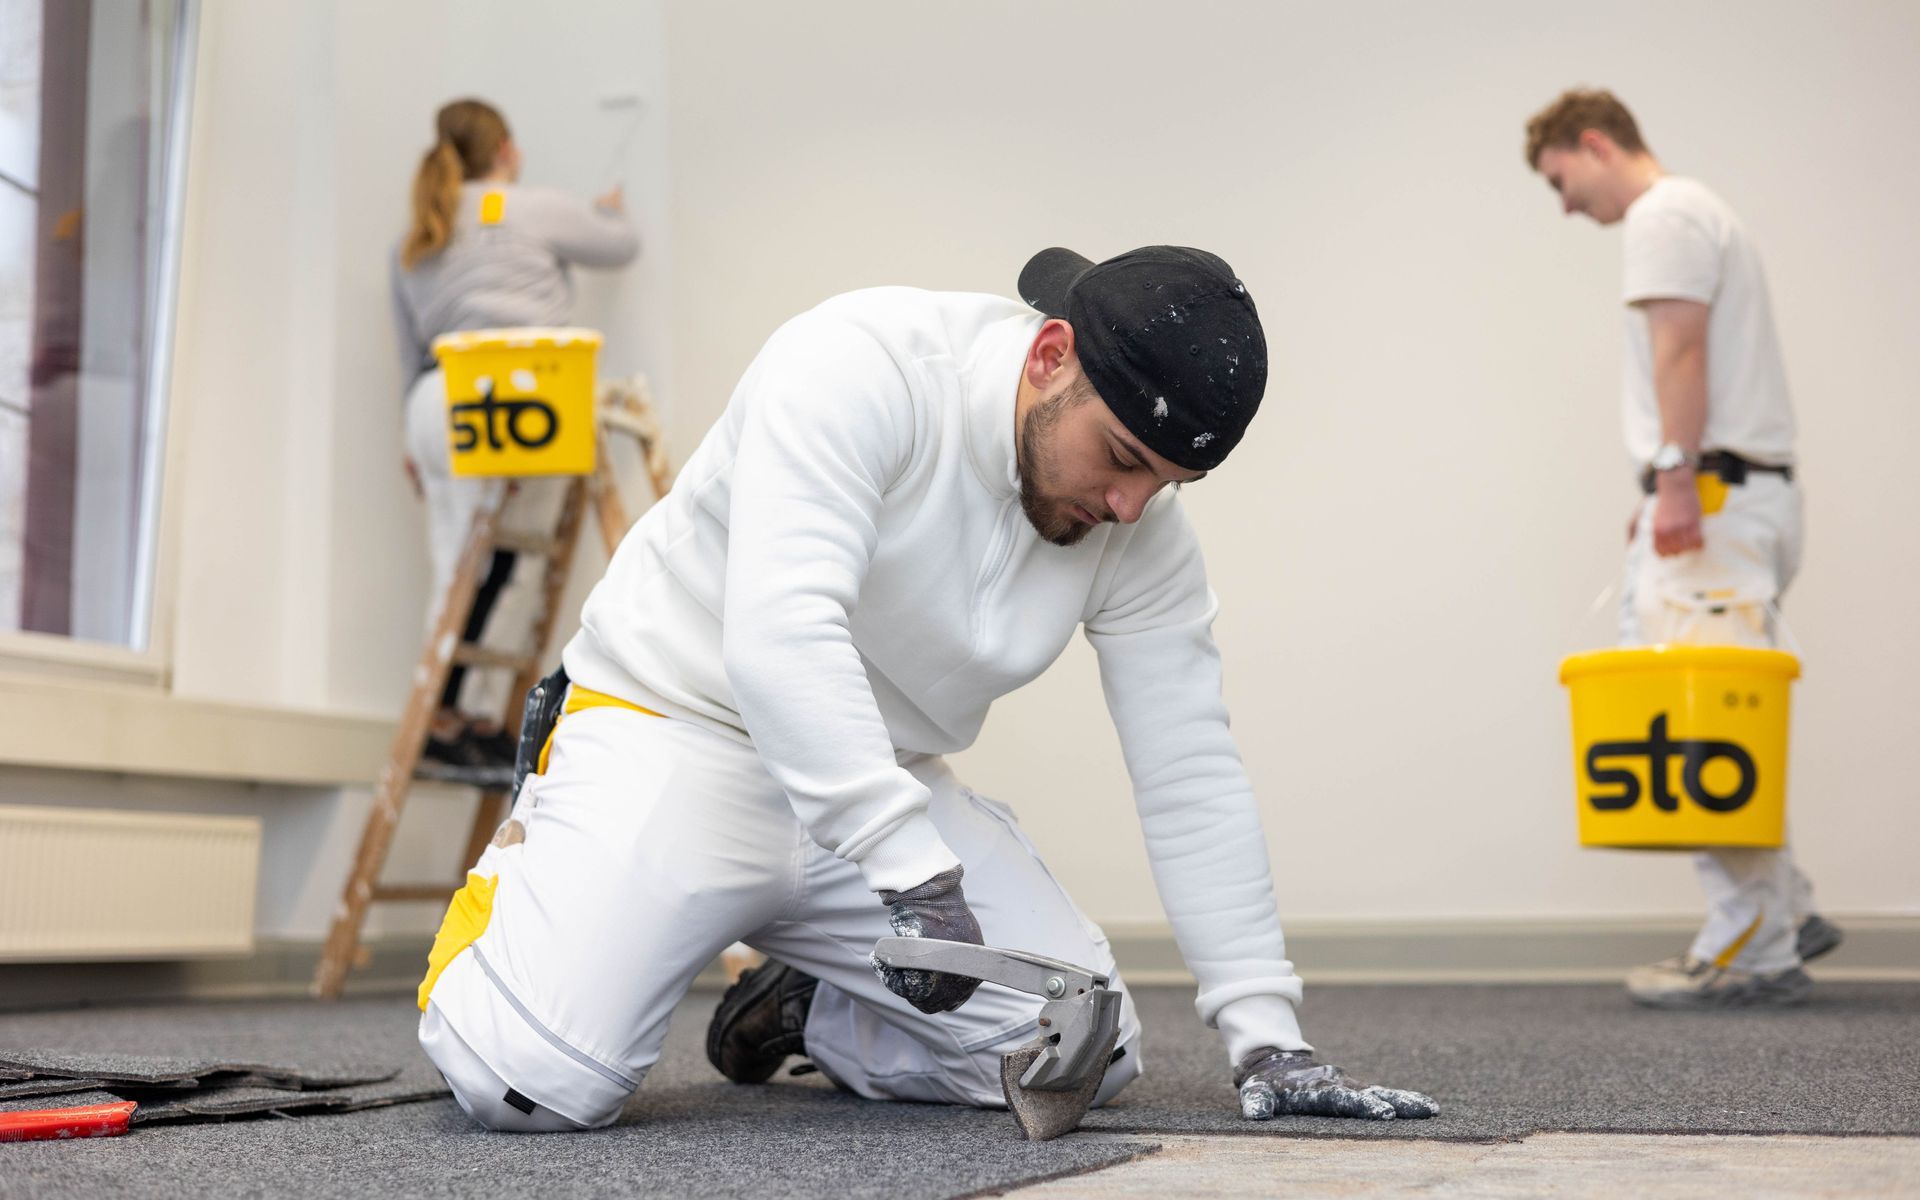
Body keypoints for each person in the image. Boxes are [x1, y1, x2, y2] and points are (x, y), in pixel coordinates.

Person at [411, 243, 1436, 1132]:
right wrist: (913, 873)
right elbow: (781, 638)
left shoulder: (1140, 528)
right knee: (530, 1085)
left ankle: (813, 1006)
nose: (1132, 507)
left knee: (1085, 1056)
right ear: (1050, 359)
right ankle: (513, 910)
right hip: (676, 728)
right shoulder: (859, 366)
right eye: (1124, 460)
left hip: (874, 780)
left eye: (1168, 483)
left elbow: (1190, 767)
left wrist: (1267, 1037)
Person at [1524, 88, 1843, 1008]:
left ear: (1593, 142)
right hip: (1742, 490)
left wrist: (1672, 475)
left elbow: (1682, 353)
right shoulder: (1700, 213)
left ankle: (1750, 949)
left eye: (1560, 179)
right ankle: (1785, 908)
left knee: (1699, 722)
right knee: (1722, 699)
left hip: (1715, 489)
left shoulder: (1665, 214)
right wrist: (1667, 483)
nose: (1565, 204)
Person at [390, 98, 639, 767]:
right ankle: (465, 719)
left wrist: (410, 440)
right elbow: (621, 246)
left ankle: (444, 718)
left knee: (455, 562)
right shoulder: (530, 206)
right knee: (506, 563)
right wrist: (609, 211)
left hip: (437, 399)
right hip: (520, 390)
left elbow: (410, 348)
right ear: (504, 148)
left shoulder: (420, 232)